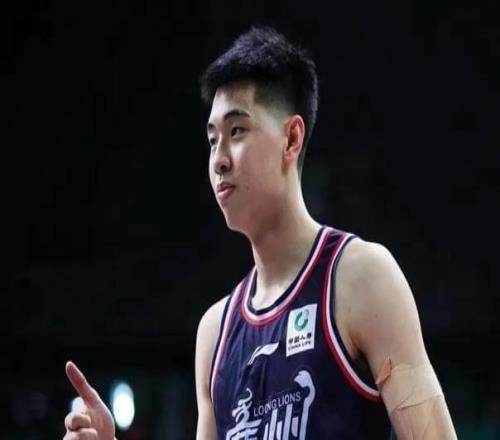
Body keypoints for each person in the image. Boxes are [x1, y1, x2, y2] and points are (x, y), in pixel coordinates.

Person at [62, 27, 457, 439]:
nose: (219, 160)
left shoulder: (362, 278)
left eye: (237, 132)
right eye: (212, 140)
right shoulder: (214, 334)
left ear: (291, 138)